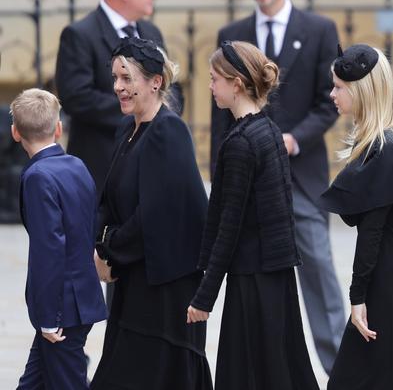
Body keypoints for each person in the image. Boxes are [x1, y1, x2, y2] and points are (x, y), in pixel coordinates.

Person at [211, 0, 345, 373]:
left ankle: (341, 371)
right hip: (247, 182)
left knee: (320, 273)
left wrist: (293, 139)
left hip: (302, 177)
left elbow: (330, 103)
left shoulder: (321, 30)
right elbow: (221, 118)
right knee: (255, 277)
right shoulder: (231, 35)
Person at [187, 40, 319, 389]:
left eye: (215, 79)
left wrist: (204, 296)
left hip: (252, 281)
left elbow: (230, 225)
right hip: (275, 275)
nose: (211, 86)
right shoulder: (269, 131)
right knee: (279, 368)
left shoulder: (241, 142)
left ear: (237, 84)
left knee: (251, 374)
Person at [90, 37, 211, 390]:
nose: (118, 87)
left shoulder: (169, 131)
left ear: (155, 81)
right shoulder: (128, 130)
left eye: (127, 78)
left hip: (166, 289)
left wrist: (109, 251)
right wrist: (98, 246)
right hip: (134, 279)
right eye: (115, 78)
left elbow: (156, 214)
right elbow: (109, 199)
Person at [318, 44, 393, 389]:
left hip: (391, 291)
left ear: (361, 90)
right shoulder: (375, 145)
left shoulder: (386, 149)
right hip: (388, 285)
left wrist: (357, 298)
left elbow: (372, 235)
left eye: (339, 87)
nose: (332, 94)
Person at [55, 0, 182, 192]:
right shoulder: (80, 34)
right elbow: (77, 97)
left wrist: (160, 120)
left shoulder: (151, 32)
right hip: (102, 168)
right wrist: (140, 111)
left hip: (152, 164)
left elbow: (171, 87)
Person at [11, 88, 106, 389]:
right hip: (80, 300)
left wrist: (49, 316)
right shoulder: (77, 166)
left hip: (62, 309)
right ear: (59, 127)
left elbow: (49, 250)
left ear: (15, 132)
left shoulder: (38, 177)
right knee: (33, 382)